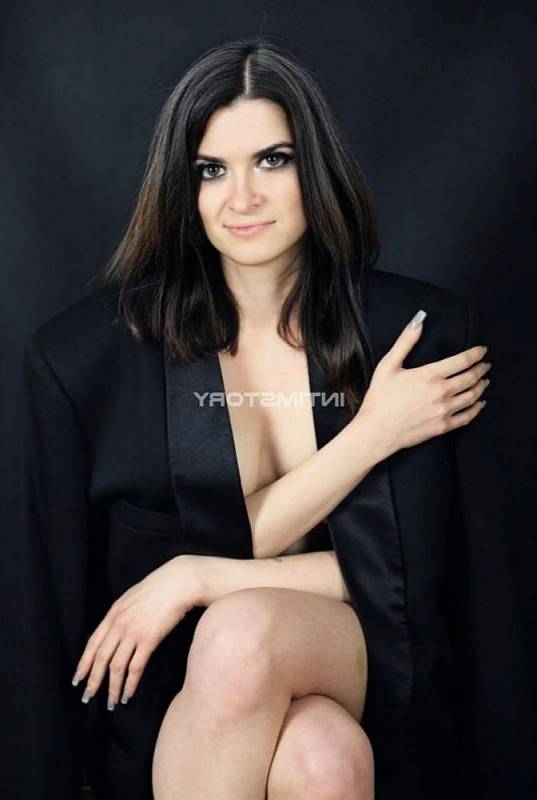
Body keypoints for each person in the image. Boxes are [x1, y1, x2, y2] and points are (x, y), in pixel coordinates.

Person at [13, 35, 536, 800]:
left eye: (272, 160)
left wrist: (198, 575)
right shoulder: (85, 359)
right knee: (323, 762)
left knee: (242, 631)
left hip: (366, 652)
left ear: (313, 166)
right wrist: (372, 436)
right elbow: (48, 603)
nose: (242, 198)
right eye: (211, 170)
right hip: (165, 685)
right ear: (181, 186)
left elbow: (423, 569)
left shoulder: (417, 338)